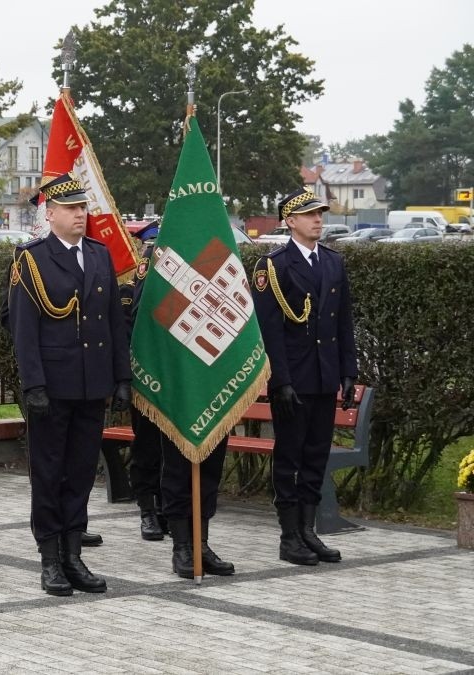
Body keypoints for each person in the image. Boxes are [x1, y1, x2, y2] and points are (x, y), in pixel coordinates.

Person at [7, 172, 130, 596]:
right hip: (53, 387)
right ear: (52, 213)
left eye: (83, 208)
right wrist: (33, 385)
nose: (81, 215)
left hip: (91, 384)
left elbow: (113, 320)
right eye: (73, 209)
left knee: (80, 472)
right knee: (49, 473)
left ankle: (74, 553)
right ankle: (50, 558)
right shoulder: (32, 259)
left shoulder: (98, 255)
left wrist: (120, 377)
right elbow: (24, 329)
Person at [122, 220, 234, 578]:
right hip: (176, 385)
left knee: (210, 469)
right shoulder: (157, 270)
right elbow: (142, 324)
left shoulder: (215, 263)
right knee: (176, 469)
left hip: (210, 380)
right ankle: (183, 546)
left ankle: (202, 542)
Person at [253, 188, 357, 566]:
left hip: (325, 376)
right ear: (290, 221)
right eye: (310, 215)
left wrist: (348, 371)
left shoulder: (332, 262)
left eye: (320, 214)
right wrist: (280, 381)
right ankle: (288, 536)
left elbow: (342, 322)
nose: (318, 220)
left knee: (315, 456)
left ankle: (308, 531)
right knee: (290, 457)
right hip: (293, 380)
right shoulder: (274, 266)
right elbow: (270, 330)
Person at [120, 219, 166, 542]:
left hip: (174, 376)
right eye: (149, 248)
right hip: (147, 375)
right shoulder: (132, 284)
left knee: (171, 448)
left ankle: (166, 507)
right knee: (147, 446)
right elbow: (131, 327)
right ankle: (148, 509)